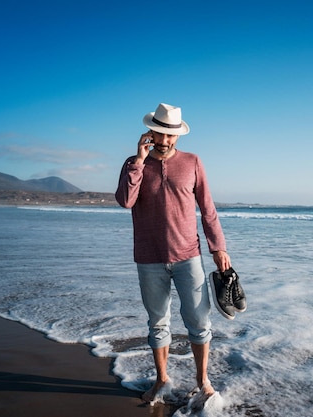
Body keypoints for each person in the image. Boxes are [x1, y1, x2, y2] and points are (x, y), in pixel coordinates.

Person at [115, 103, 231, 404]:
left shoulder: (192, 162)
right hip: (148, 257)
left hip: (188, 256)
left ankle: (203, 381)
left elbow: (208, 209)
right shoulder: (133, 163)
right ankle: (162, 380)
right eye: (160, 134)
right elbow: (126, 201)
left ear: (178, 136)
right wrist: (139, 162)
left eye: (171, 136)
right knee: (157, 322)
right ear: (149, 132)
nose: (165, 141)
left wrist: (217, 247)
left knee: (199, 321)